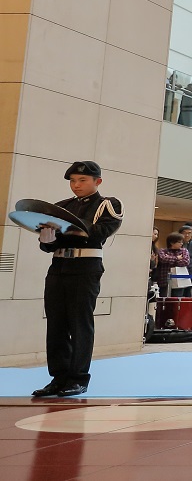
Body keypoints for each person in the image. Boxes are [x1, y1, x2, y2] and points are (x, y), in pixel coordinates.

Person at [32, 161, 123, 398]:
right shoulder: (61, 207)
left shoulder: (108, 204)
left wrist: (68, 228)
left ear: (97, 182)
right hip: (59, 266)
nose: (76, 185)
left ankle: (78, 378)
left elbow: (101, 232)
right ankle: (59, 377)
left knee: (79, 323)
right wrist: (48, 238)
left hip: (86, 267)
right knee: (56, 323)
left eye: (82, 180)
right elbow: (48, 246)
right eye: (73, 180)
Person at [153, 232, 190, 302]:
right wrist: (177, 258)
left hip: (179, 281)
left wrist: (170, 259)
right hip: (164, 280)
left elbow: (185, 262)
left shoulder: (184, 251)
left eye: (182, 242)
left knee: (177, 301)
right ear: (172, 243)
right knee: (164, 301)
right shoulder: (162, 251)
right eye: (179, 242)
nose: (181, 244)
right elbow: (163, 259)